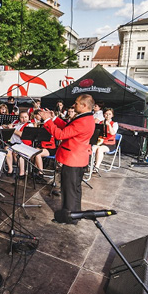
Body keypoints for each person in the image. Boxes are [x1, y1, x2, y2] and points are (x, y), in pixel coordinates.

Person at [39, 94, 96, 224]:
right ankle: (75, 215)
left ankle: (69, 217)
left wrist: (47, 121)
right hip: (78, 158)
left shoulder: (83, 121)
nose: (74, 105)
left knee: (69, 191)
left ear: (84, 105)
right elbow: (68, 128)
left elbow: (60, 135)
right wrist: (54, 118)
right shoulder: (85, 117)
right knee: (74, 190)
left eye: (76, 103)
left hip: (73, 159)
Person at [92, 108, 118, 172]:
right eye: (106, 114)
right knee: (92, 148)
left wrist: (108, 125)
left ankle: (96, 167)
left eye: (109, 114)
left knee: (100, 150)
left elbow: (112, 133)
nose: (107, 116)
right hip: (100, 142)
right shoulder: (100, 122)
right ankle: (89, 165)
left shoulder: (114, 124)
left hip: (109, 144)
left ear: (112, 115)